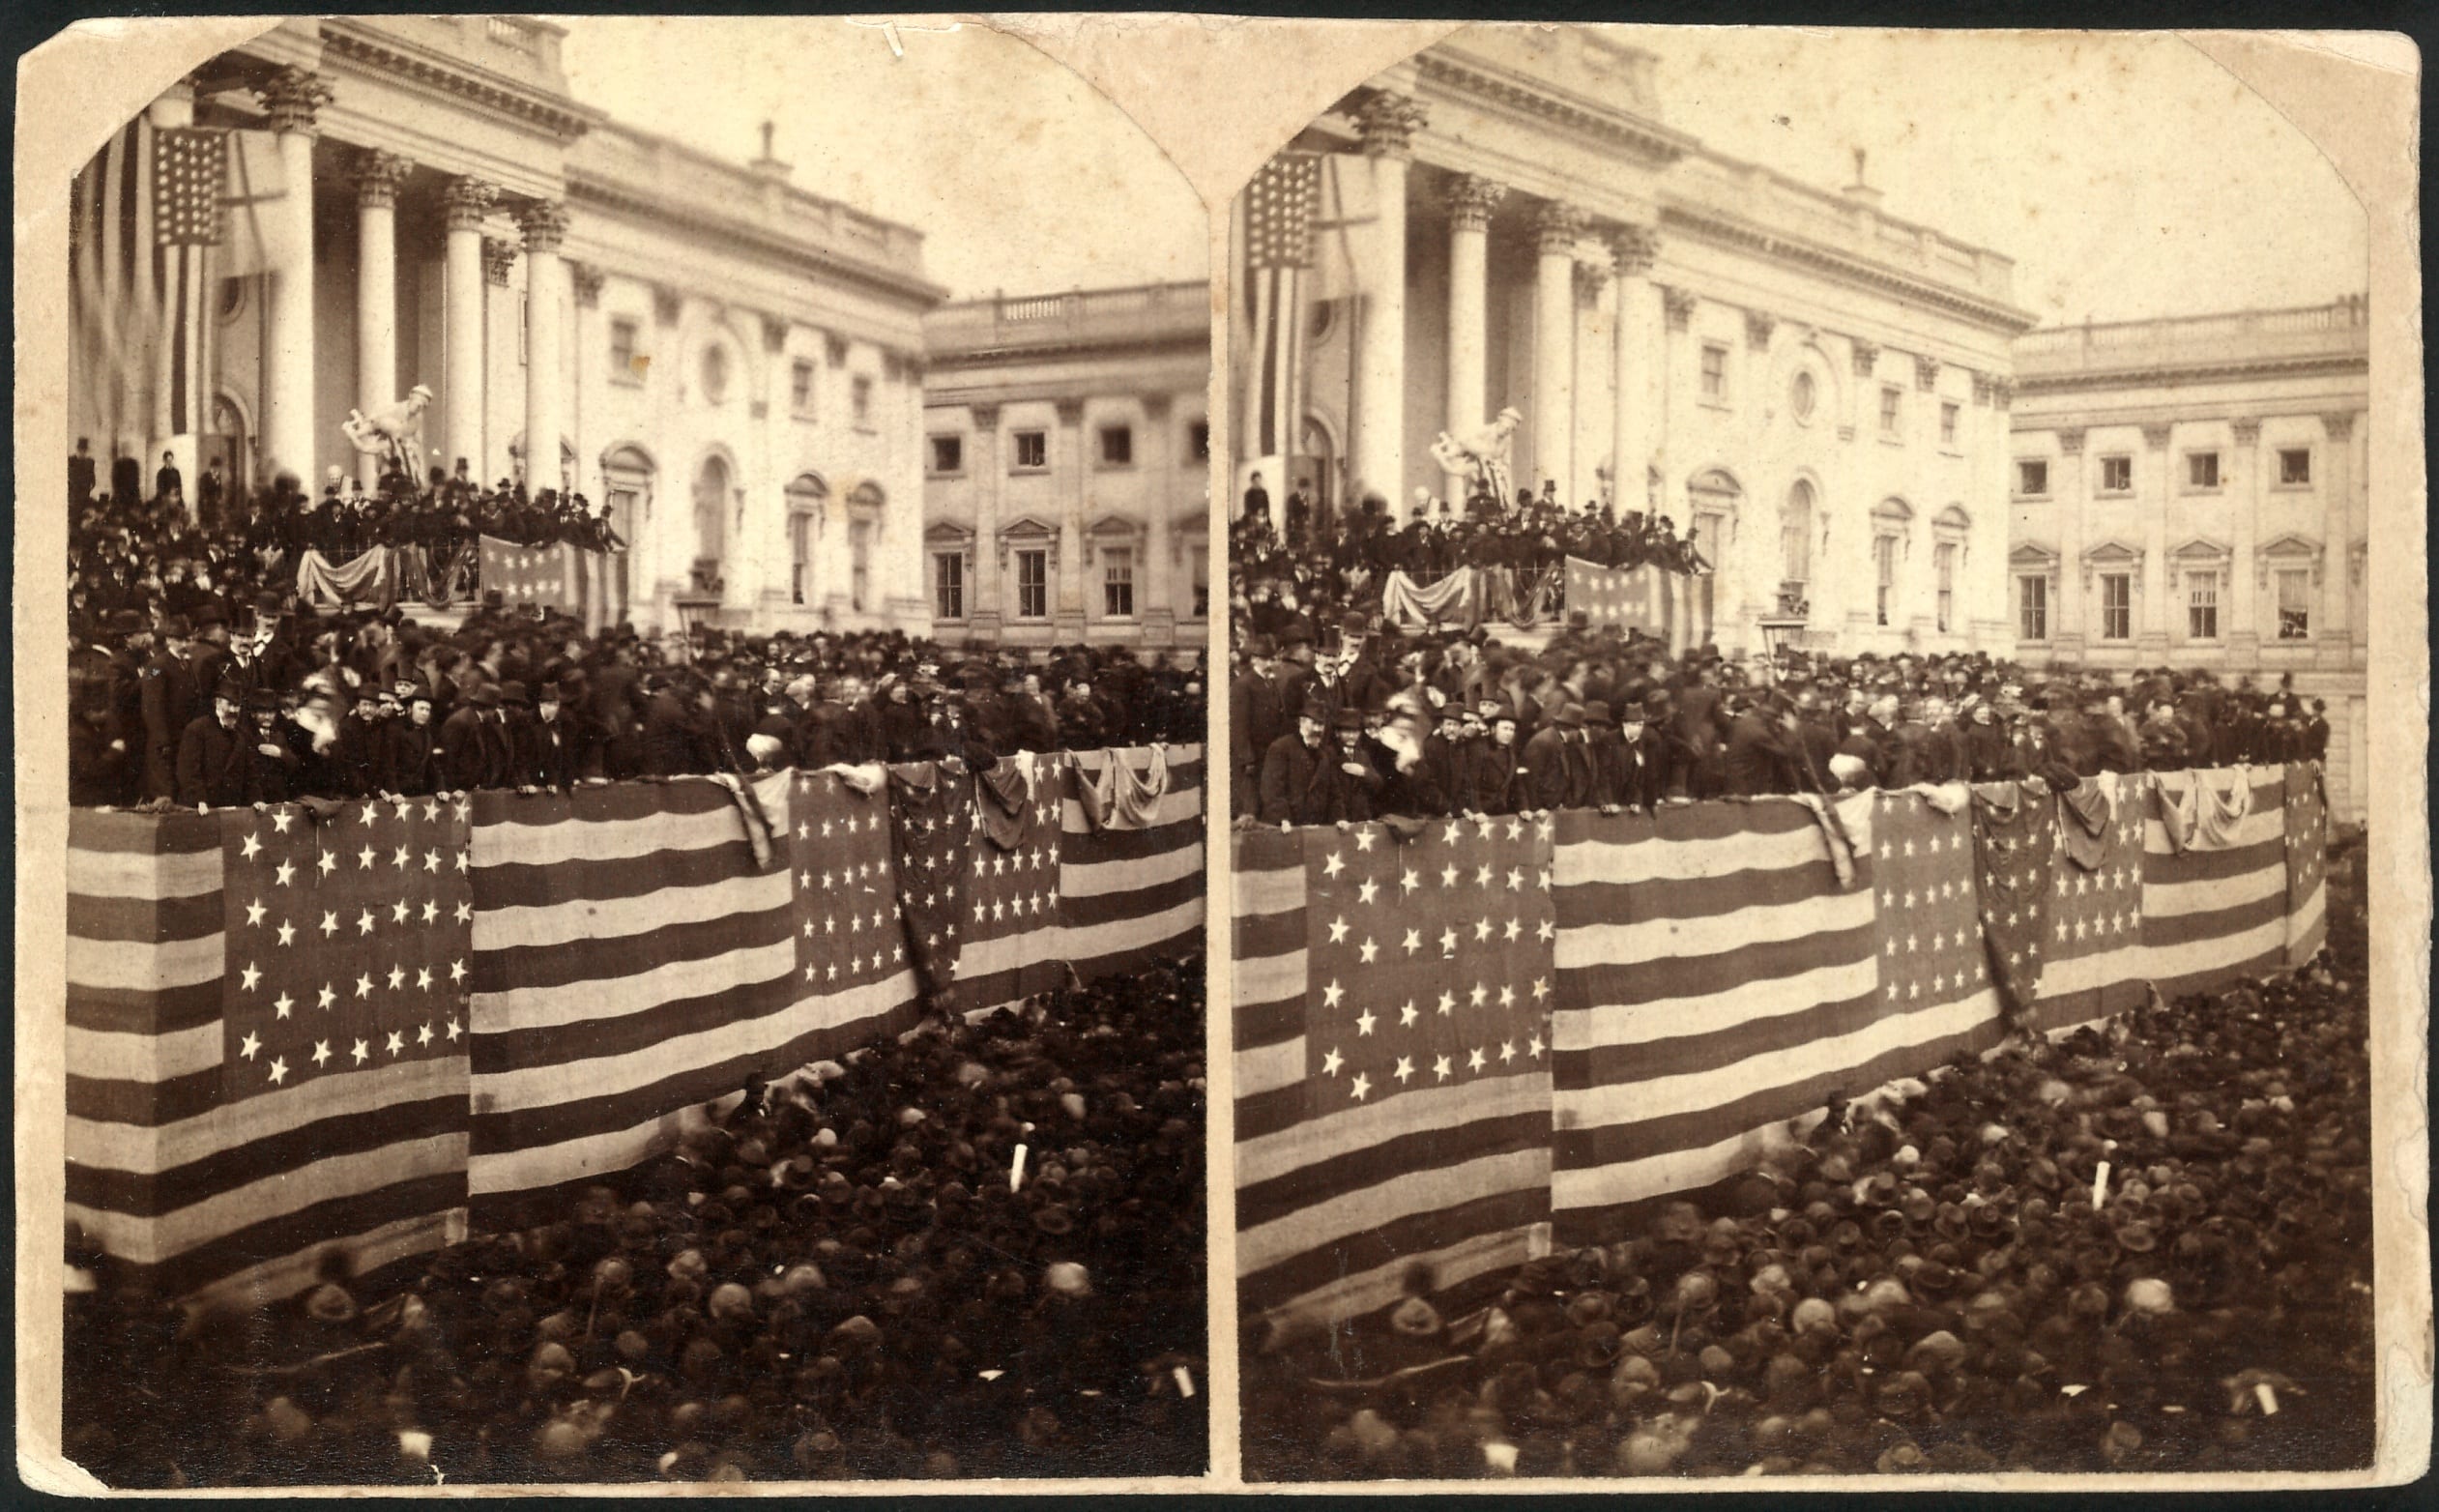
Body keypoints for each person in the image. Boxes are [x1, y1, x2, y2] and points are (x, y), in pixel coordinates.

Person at [70, 437, 97, 509]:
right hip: (74, 497)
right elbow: (70, 478)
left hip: (85, 495)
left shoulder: (90, 462)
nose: (83, 453)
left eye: (85, 451)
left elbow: (93, 479)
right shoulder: (71, 460)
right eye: (81, 450)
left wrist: (90, 486)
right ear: (77, 450)